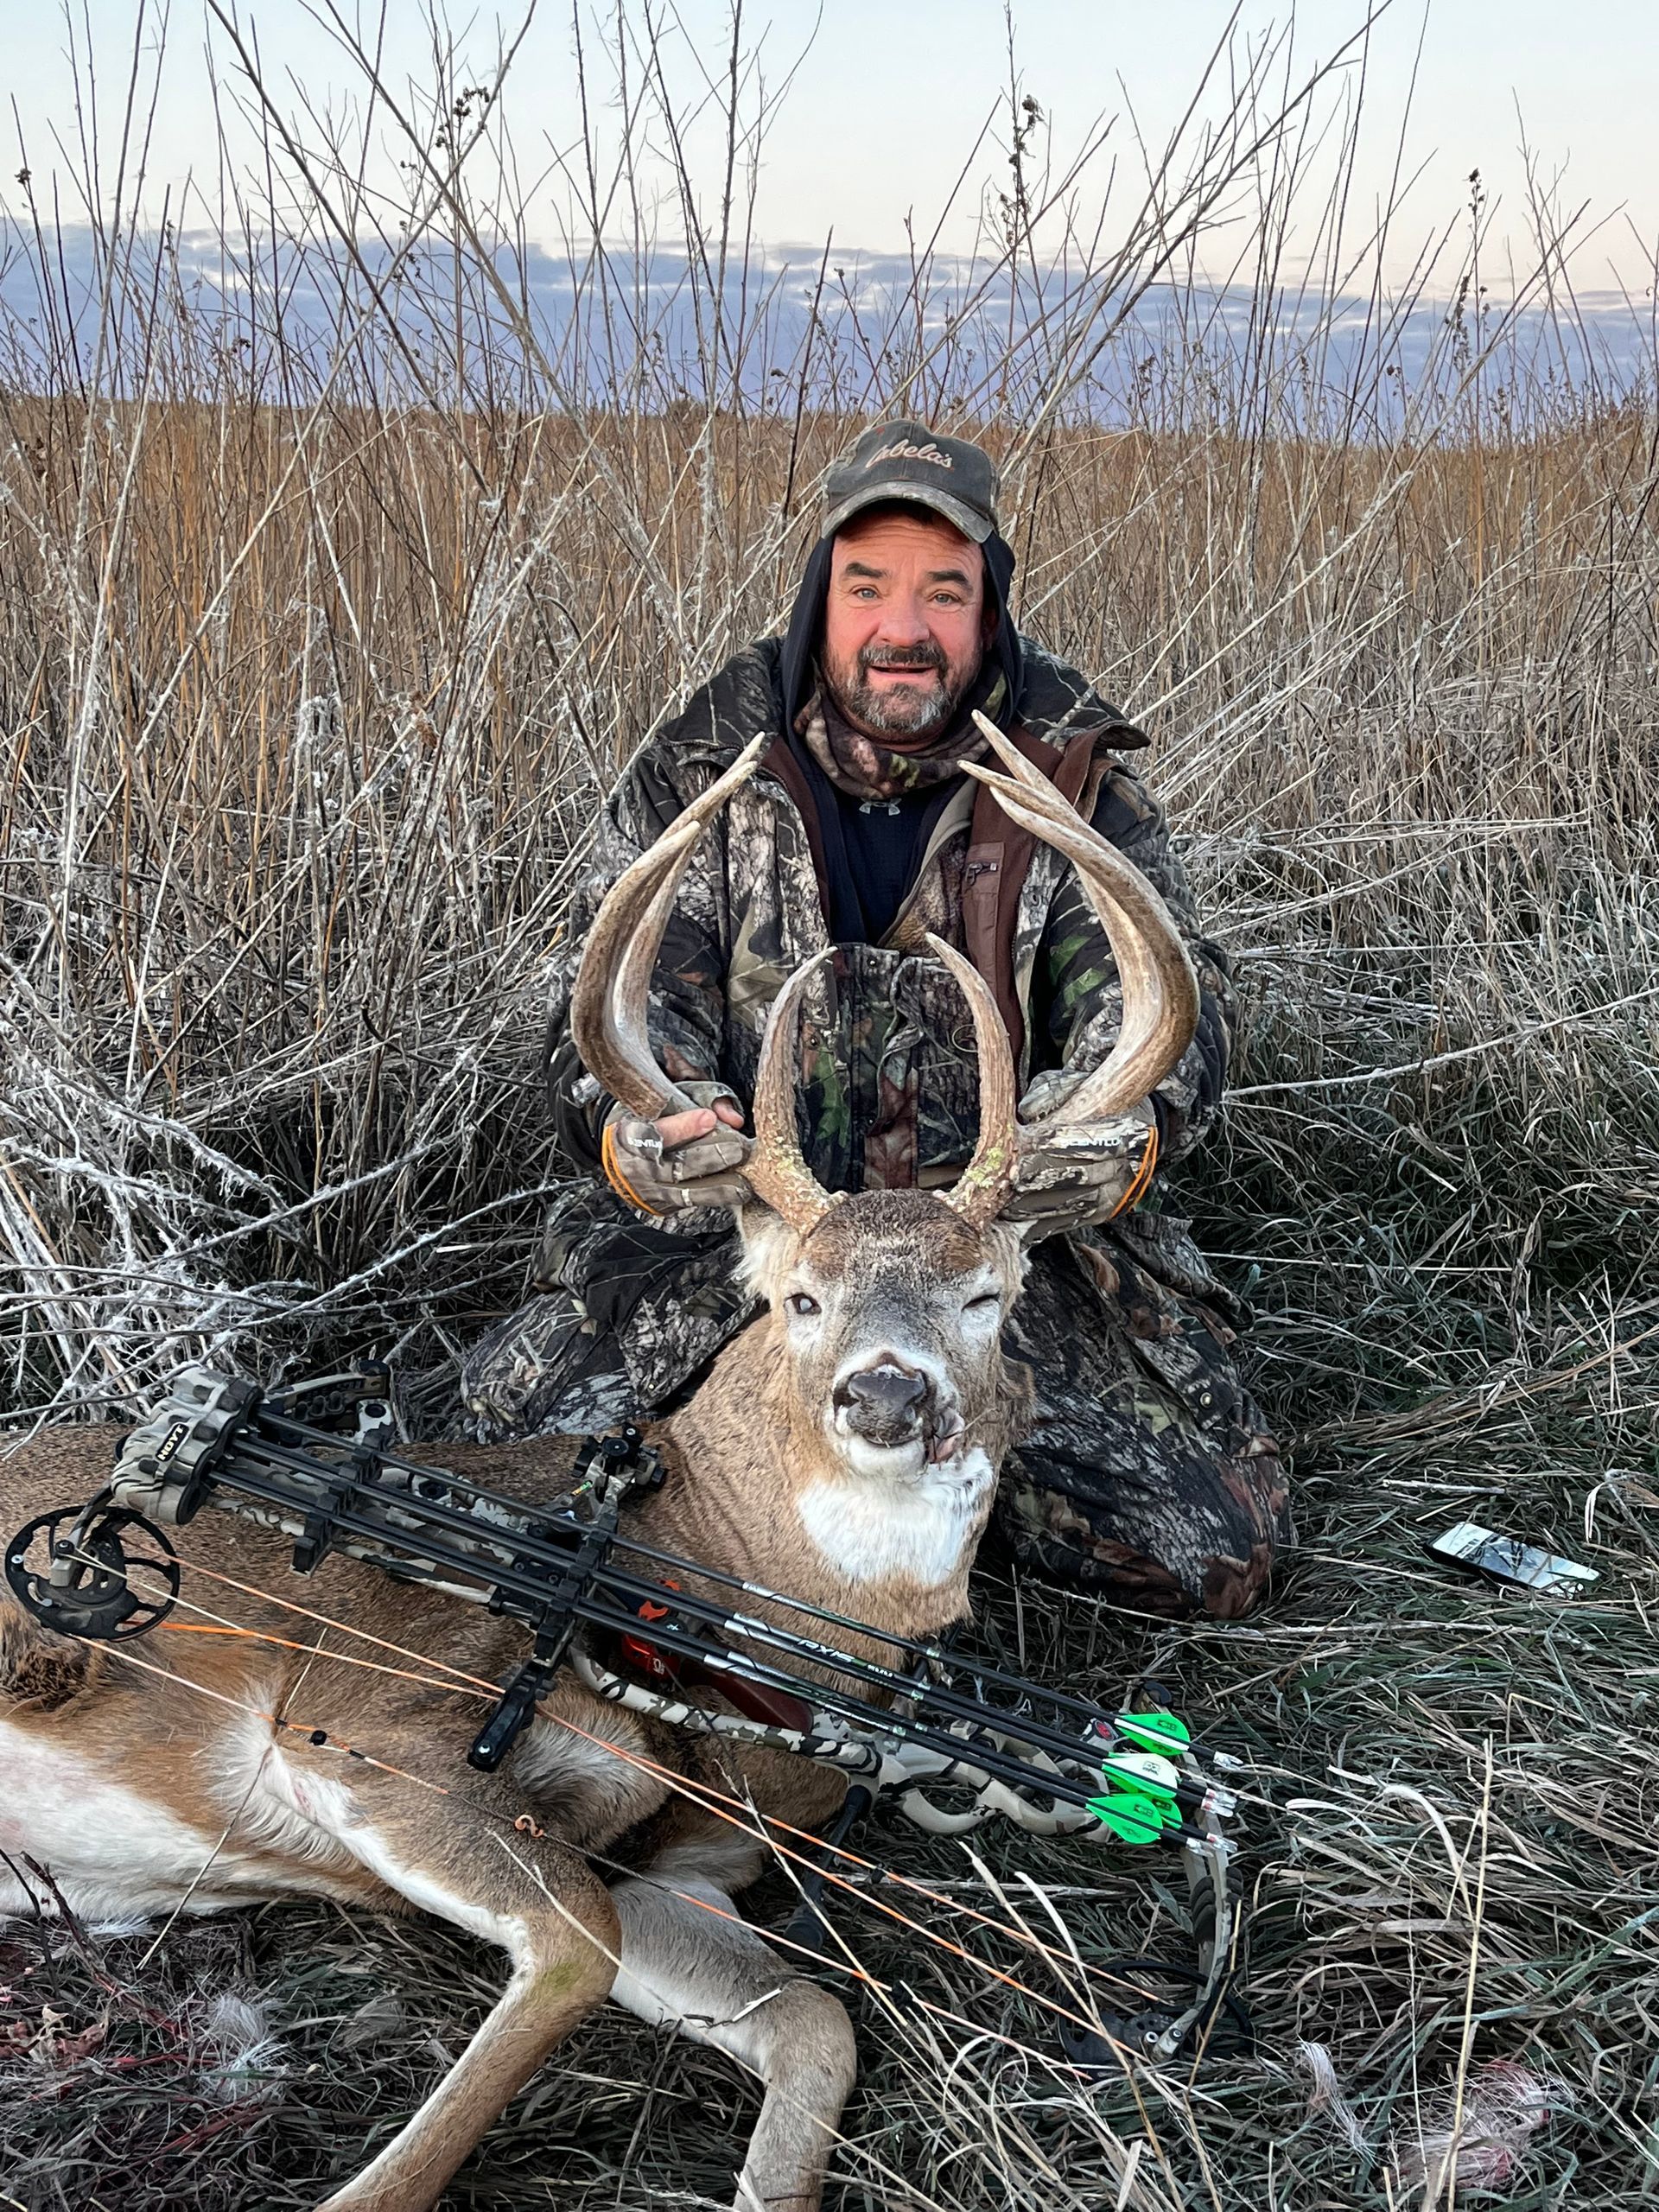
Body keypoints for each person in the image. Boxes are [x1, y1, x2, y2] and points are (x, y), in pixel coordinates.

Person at [462, 421, 1290, 1618]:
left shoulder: (1076, 784)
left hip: (995, 1253)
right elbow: (598, 1021)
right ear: (821, 594)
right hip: (752, 1244)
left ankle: (897, 1517)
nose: (903, 628)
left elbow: (1171, 1017)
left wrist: (1115, 1127)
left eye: (943, 592)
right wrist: (650, 1127)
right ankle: (862, 1508)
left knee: (1206, 1553)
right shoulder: (701, 771)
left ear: (987, 608)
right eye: (869, 586)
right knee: (507, 1493)